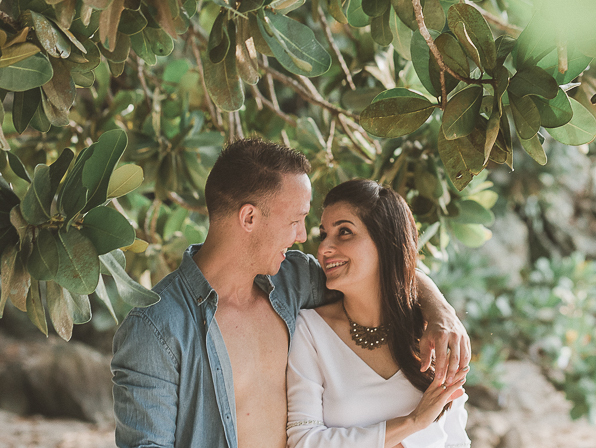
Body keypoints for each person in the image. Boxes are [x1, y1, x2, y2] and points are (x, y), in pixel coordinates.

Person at [110, 138, 470, 448]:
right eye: (295, 220)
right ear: (249, 218)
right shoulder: (156, 327)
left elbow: (379, 269)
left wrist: (439, 310)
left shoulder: (292, 279)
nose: (302, 236)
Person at [286, 179, 469, 448]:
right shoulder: (311, 330)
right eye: (323, 234)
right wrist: (413, 422)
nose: (324, 248)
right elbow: (304, 441)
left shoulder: (435, 332)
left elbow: (456, 440)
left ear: (386, 241)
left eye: (344, 232)